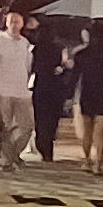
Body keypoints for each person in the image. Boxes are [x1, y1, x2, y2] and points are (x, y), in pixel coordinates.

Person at [0, 10, 35, 163]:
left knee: (26, 126)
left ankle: (13, 154)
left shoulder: (24, 43)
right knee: (5, 127)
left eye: (17, 21)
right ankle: (7, 160)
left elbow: (28, 66)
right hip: (4, 90)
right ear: (6, 23)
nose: (14, 24)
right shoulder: (0, 40)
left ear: (22, 24)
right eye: (11, 21)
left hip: (22, 91)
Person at [74, 24, 103, 176]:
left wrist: (69, 94)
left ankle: (86, 160)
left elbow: (75, 76)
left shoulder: (82, 54)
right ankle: (98, 163)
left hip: (87, 93)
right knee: (101, 131)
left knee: (87, 130)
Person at [30, 21, 71, 163]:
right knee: (52, 118)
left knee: (40, 118)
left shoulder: (35, 49)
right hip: (56, 87)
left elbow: (32, 68)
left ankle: (42, 145)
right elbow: (64, 66)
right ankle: (49, 148)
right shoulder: (60, 48)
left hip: (41, 86)